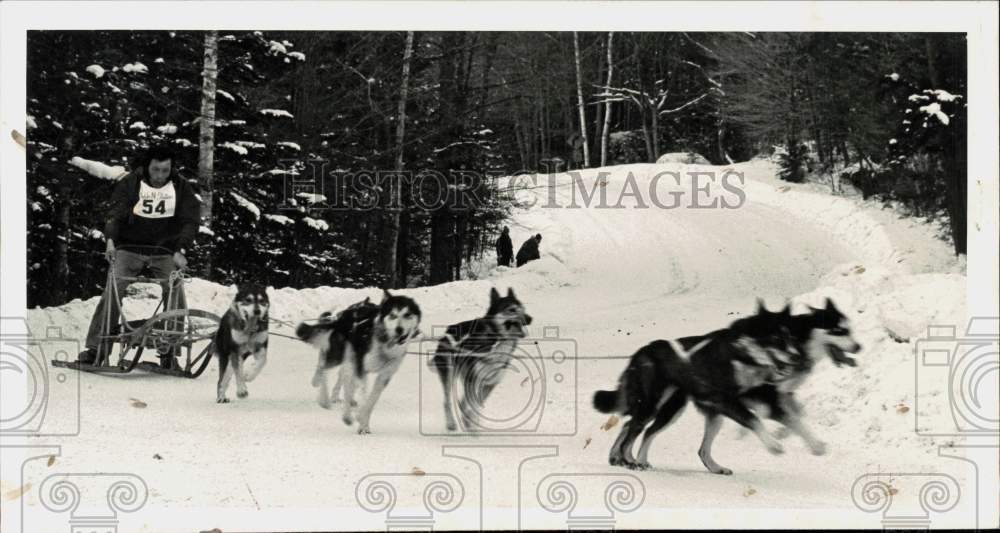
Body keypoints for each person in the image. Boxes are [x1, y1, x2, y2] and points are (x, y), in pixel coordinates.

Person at [76, 144, 201, 368]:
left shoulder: (180, 187)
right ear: (147, 167)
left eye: (165, 170)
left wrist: (181, 249)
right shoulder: (131, 183)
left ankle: (169, 351)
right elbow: (115, 213)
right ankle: (96, 349)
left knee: (175, 288)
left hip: (164, 250)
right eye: (155, 170)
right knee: (114, 288)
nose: (160, 176)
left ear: (171, 169)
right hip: (130, 247)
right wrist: (110, 240)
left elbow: (190, 220)